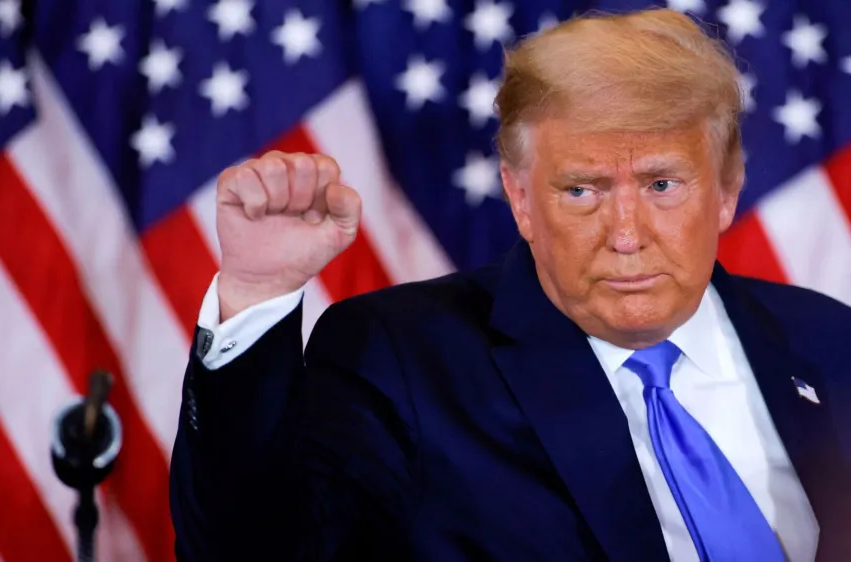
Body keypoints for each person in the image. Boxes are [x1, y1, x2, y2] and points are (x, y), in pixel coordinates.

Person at [168, 7, 851, 562]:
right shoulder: (402, 359)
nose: (625, 232)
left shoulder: (827, 339)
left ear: (727, 191)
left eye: (662, 184)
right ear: (520, 197)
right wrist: (257, 293)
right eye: (580, 190)